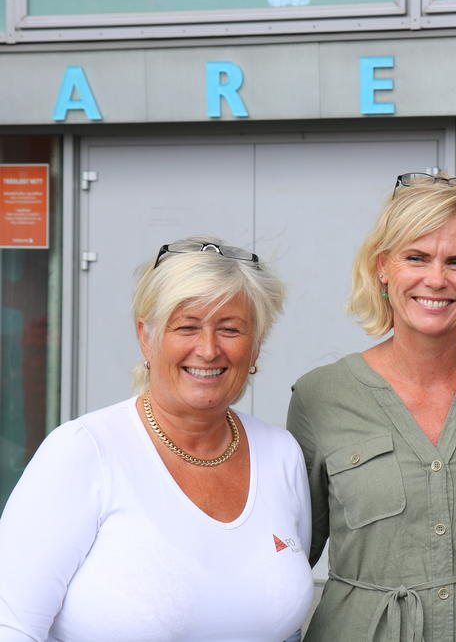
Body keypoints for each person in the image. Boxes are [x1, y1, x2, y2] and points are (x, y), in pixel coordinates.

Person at [0, 237, 313, 641]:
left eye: (230, 329)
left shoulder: (281, 453)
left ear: (255, 349)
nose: (208, 349)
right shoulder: (83, 451)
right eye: (187, 327)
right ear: (146, 337)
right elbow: (10, 626)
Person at [288, 172, 456, 641]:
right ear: (383, 266)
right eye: (416, 257)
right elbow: (289, 555)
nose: (436, 279)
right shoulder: (319, 397)